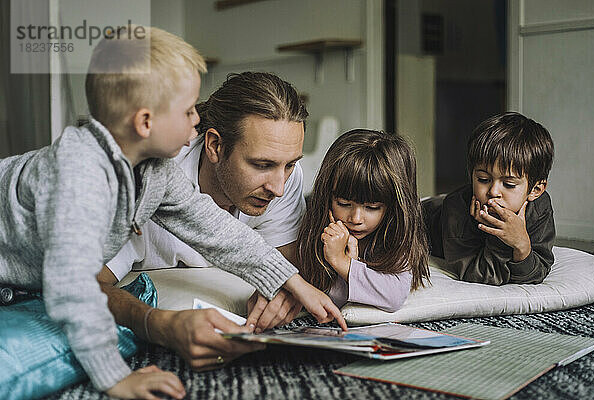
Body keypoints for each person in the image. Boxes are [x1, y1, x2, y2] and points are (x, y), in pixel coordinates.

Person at [0, 26, 345, 400]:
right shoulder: (79, 177)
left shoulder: (154, 169)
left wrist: (290, 281)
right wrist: (115, 377)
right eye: (187, 111)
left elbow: (211, 226)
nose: (198, 120)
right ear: (145, 122)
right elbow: (73, 287)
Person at [100, 72, 308, 335]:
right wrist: (160, 326)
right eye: (261, 165)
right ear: (215, 145)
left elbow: (285, 268)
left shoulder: (284, 175)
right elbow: (86, 285)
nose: (278, 188)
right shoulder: (147, 179)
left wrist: (279, 293)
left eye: (289, 164)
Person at [297, 129, 430, 312]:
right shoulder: (312, 227)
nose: (356, 219)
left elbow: (394, 296)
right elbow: (327, 298)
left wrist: (342, 262)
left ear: (393, 207)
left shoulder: (397, 233)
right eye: (344, 203)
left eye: (372, 207)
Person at [423, 112, 555, 285]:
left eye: (508, 184)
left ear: (535, 190)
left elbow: (535, 274)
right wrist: (499, 236)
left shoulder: (539, 207)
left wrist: (522, 244)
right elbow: (480, 275)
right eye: (483, 180)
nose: (493, 191)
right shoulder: (456, 209)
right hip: (425, 218)